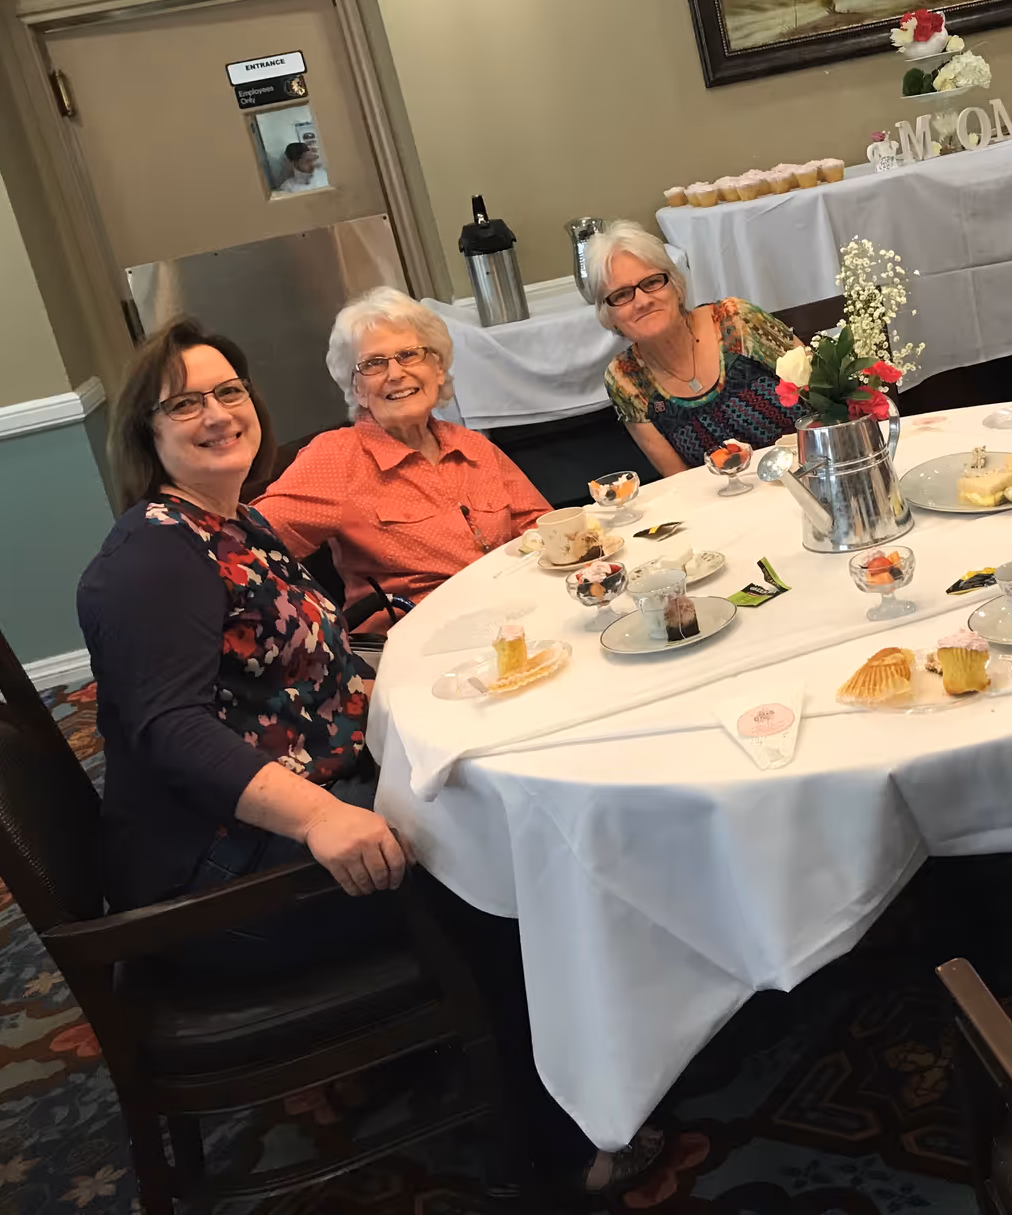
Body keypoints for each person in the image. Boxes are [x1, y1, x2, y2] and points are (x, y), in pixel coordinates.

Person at [76, 318, 661, 1193]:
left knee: (499, 791)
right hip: (224, 886)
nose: (216, 415)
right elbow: (172, 730)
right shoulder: (153, 555)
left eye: (229, 393)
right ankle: (556, 1150)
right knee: (495, 869)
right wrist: (319, 815)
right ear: (147, 432)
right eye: (184, 404)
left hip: (285, 818)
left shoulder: (232, 525)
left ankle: (551, 1049)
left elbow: (304, 669)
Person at [253, 287, 549, 630]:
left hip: (516, 623)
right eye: (374, 364)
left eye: (409, 354)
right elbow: (245, 546)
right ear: (357, 388)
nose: (395, 373)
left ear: (438, 368)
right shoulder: (338, 458)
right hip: (422, 648)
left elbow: (545, 531)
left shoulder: (473, 448)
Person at [591, 219, 804, 474]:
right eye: (622, 295)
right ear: (608, 314)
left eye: (651, 283)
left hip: (809, 474)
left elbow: (824, 397)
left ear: (676, 287)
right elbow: (679, 482)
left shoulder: (737, 320)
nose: (642, 301)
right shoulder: (625, 378)